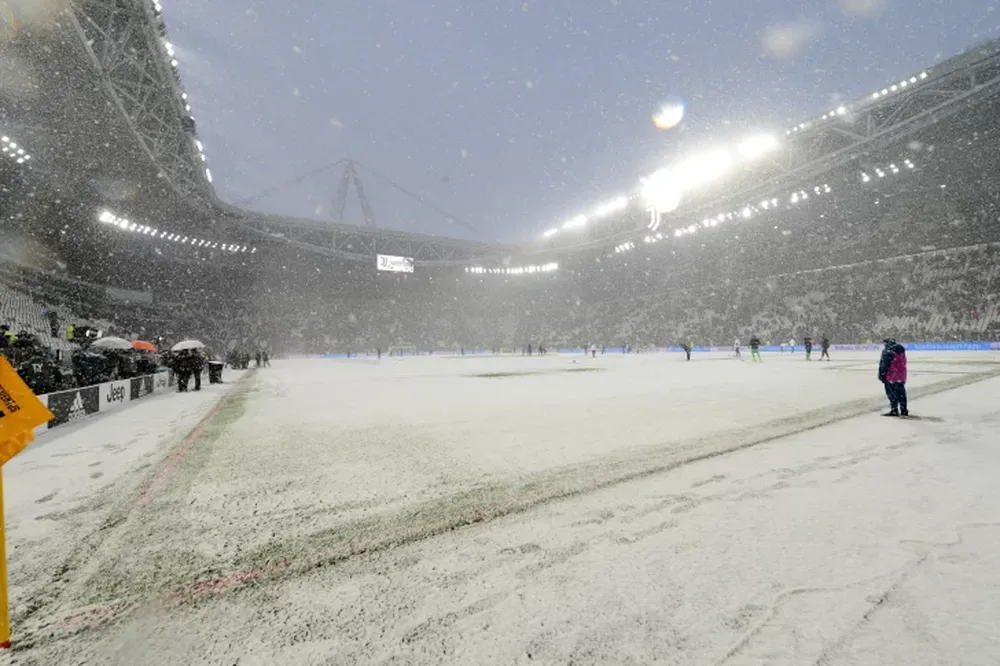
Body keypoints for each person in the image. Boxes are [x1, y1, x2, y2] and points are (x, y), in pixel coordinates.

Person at [878, 338, 908, 417]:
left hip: (891, 376)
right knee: (901, 393)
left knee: (892, 393)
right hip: (901, 375)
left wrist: (882, 375)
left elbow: (884, 365)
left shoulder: (887, 352)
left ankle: (894, 409)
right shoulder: (901, 350)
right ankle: (904, 409)